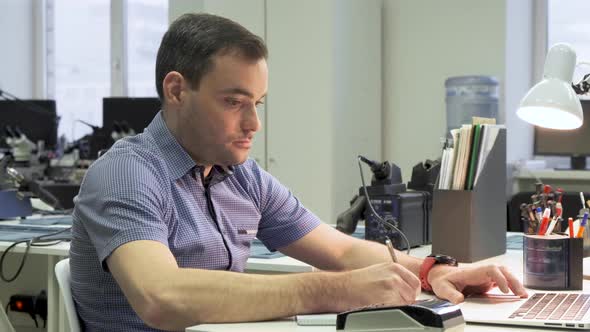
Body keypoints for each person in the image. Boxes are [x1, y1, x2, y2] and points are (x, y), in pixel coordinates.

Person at [70, 13, 528, 332]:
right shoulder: (128, 174)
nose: (254, 124)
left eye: (258, 103)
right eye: (233, 102)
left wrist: (433, 271)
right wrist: (337, 291)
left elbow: (342, 251)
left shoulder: (239, 174)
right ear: (176, 90)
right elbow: (162, 298)